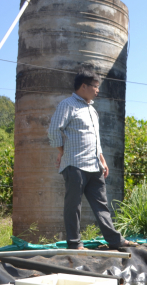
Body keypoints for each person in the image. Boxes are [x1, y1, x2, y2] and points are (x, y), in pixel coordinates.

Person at [48, 69, 136, 250]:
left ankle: (115, 241)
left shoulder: (92, 110)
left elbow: (95, 138)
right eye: (95, 86)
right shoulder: (68, 105)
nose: (97, 90)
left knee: (101, 205)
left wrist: (102, 160)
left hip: (94, 165)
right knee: (74, 205)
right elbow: (54, 130)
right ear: (83, 86)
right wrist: (62, 151)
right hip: (75, 165)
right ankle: (74, 244)